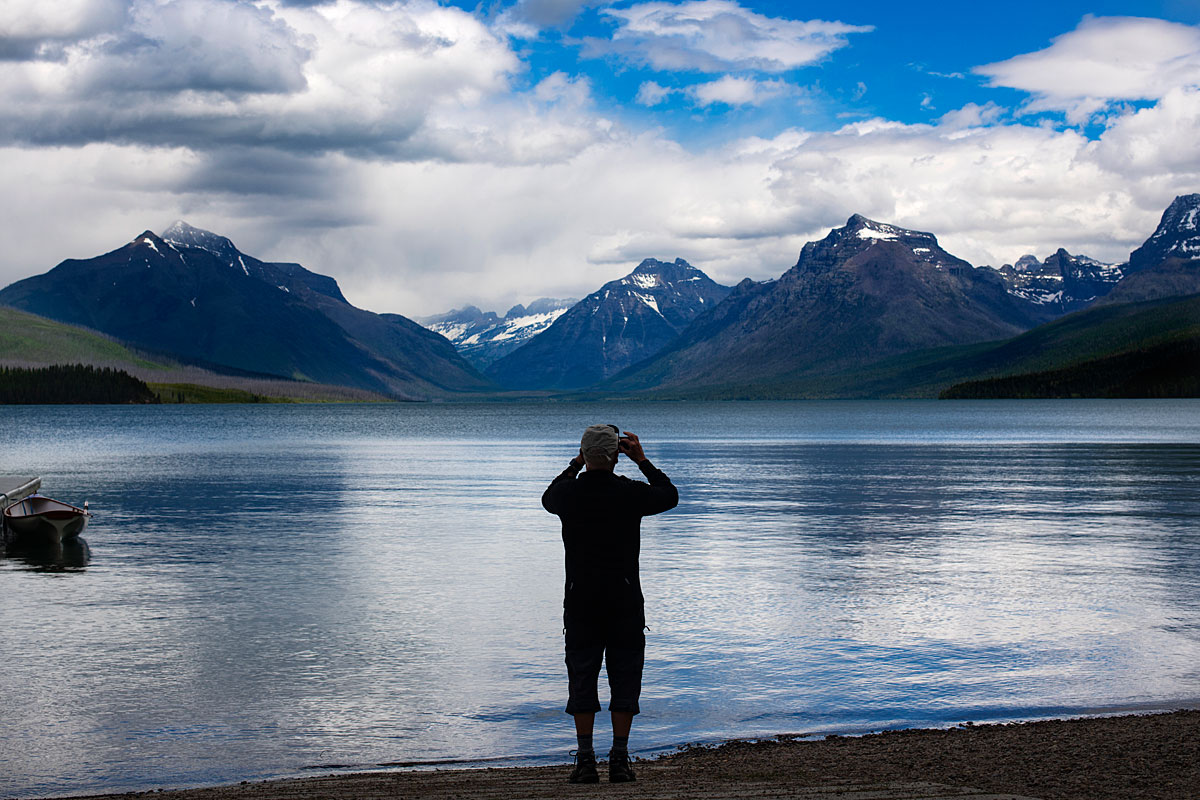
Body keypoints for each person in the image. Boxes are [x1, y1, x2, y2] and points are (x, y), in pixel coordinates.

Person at [541, 424, 678, 784]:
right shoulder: (628, 493)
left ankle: (585, 761)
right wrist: (643, 461)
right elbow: (669, 495)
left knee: (582, 677)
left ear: (585, 455)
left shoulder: (568, 495)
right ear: (617, 456)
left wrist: (574, 464)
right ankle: (619, 759)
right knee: (625, 677)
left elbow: (548, 496)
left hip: (581, 602)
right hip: (625, 602)